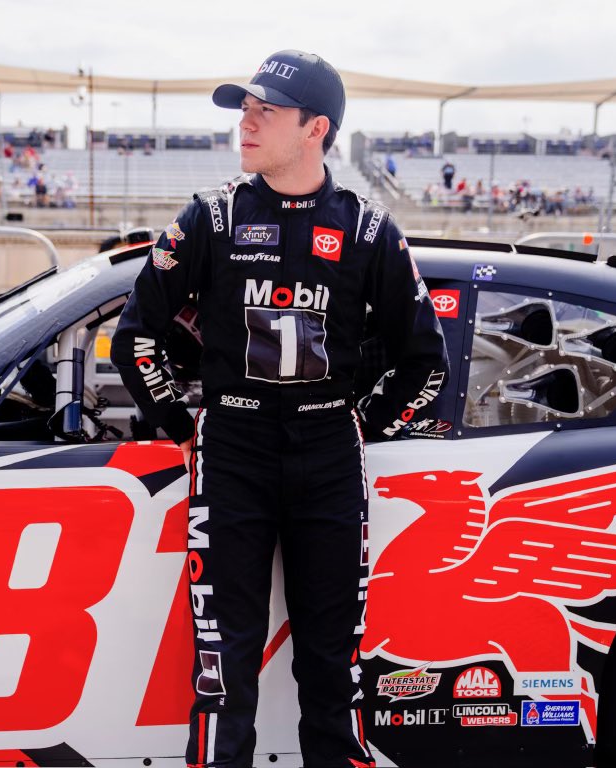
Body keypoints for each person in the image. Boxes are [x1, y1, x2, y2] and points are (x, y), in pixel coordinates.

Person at [112, 49, 448, 768]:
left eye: (266, 111)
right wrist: (181, 425)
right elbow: (135, 336)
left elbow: (427, 360)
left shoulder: (368, 230)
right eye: (244, 108)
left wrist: (362, 426)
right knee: (222, 669)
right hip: (232, 451)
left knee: (332, 669)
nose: (247, 122)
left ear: (315, 129)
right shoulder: (211, 218)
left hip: (329, 456)